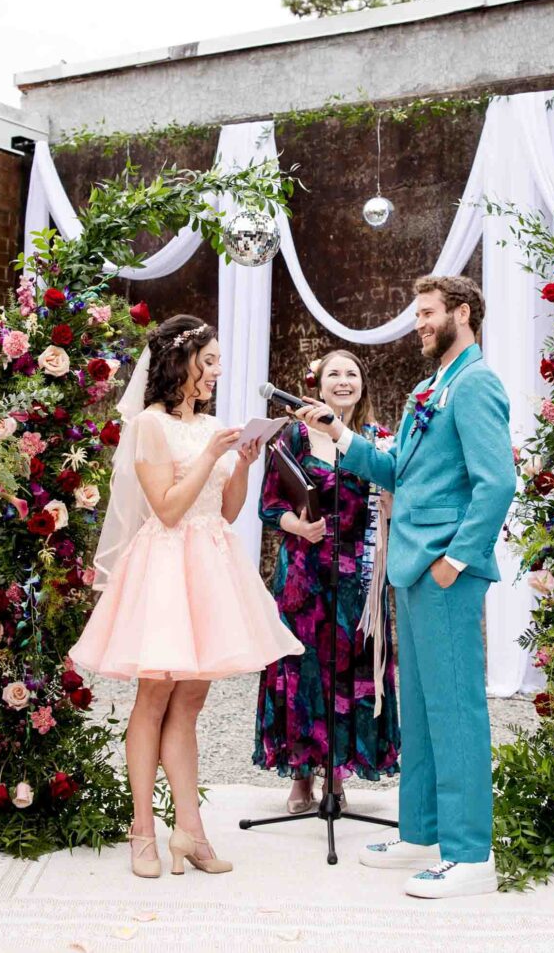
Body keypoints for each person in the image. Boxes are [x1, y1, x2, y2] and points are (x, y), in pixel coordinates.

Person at [297, 274, 514, 900]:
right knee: (418, 712)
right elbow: (395, 470)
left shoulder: (475, 385)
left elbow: (495, 483)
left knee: (457, 711)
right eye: (416, 313)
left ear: (462, 313)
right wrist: (338, 434)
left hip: (444, 572)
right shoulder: (428, 388)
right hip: (411, 571)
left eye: (427, 313)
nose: (417, 323)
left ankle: (471, 855)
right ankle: (421, 833)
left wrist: (457, 558)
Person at [71, 315, 301, 879]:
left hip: (211, 565)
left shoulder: (214, 425)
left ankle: (190, 831)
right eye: (211, 360)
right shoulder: (150, 425)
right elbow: (168, 509)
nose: (219, 371)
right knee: (153, 698)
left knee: (191, 703)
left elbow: (225, 511)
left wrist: (242, 465)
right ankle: (142, 830)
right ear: (184, 362)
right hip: (166, 568)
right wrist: (207, 457)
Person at [255, 349, 400, 813]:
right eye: (333, 373)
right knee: (301, 671)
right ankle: (300, 773)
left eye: (351, 374)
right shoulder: (293, 436)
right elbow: (269, 505)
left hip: (357, 577)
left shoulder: (377, 441)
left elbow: (395, 503)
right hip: (304, 576)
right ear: (316, 386)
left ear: (363, 385)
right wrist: (298, 526)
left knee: (348, 671)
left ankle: (337, 775)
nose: (343, 381)